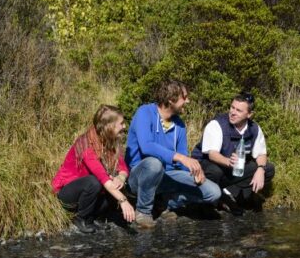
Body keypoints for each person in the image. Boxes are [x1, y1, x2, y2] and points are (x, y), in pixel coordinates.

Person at [125, 80, 221, 229]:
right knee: (154, 164)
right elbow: (147, 146)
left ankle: (164, 203)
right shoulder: (144, 112)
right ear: (171, 99)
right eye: (185, 97)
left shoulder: (180, 125)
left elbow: (182, 160)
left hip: (167, 175)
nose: (187, 101)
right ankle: (143, 211)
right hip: (140, 176)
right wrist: (181, 158)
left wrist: (195, 172)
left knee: (213, 192)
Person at [52, 104, 135, 233]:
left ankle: (93, 218)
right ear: (109, 127)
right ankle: (81, 218)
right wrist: (123, 200)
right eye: (121, 123)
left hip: (90, 193)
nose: (124, 126)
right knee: (94, 182)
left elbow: (122, 166)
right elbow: (102, 177)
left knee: (111, 186)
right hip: (68, 192)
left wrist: (120, 177)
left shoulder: (109, 140)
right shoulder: (86, 145)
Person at [192, 92, 275, 215]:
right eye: (232, 107)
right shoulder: (217, 125)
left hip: (233, 169)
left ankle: (231, 194)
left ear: (249, 114)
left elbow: (261, 154)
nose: (233, 112)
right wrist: (228, 162)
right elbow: (212, 154)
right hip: (209, 165)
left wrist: (260, 170)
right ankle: (210, 200)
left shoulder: (254, 128)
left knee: (268, 169)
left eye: (239, 110)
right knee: (215, 171)